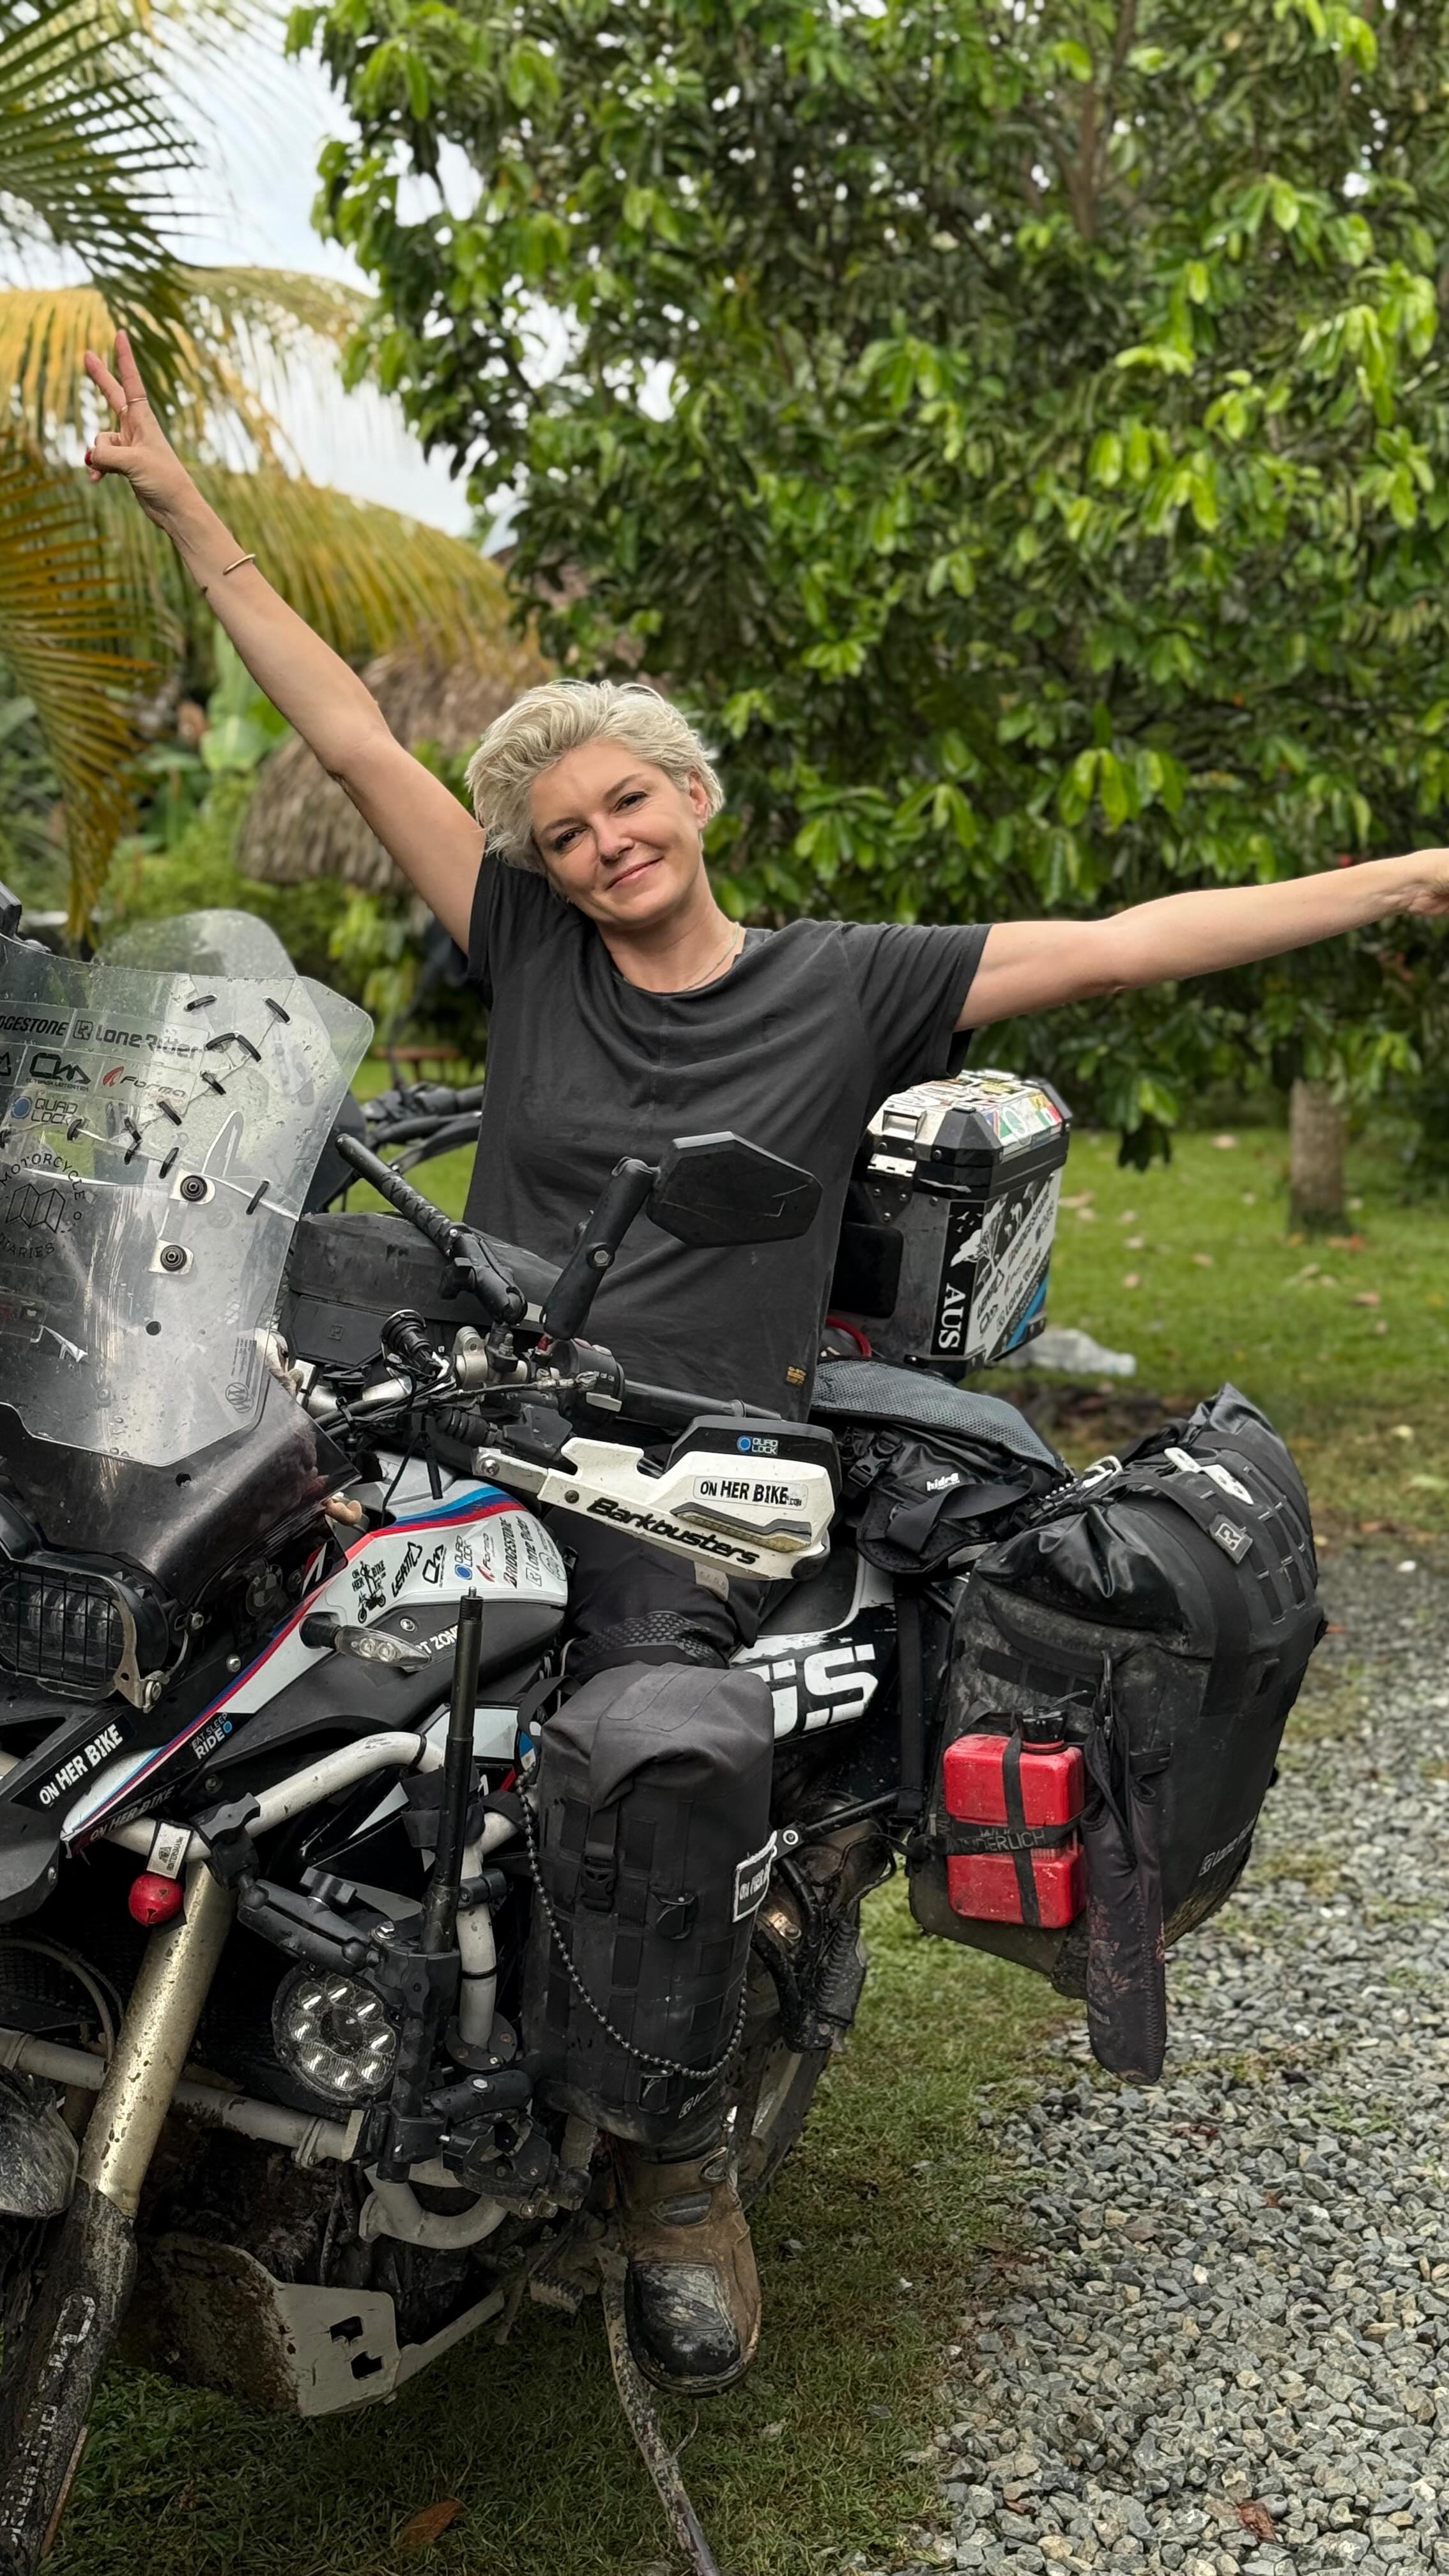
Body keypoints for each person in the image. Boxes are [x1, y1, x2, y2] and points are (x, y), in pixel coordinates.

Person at [82, 332, 1449, 2394]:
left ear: (694, 799)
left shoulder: (848, 984)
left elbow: (1132, 937)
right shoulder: (528, 950)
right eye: (562, 831)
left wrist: (1410, 876)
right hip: (457, 1428)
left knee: (658, 1740)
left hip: (684, 1480)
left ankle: (670, 2158)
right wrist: (182, 497)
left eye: (626, 802)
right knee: (175, 1661)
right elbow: (345, 727)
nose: (600, 844)